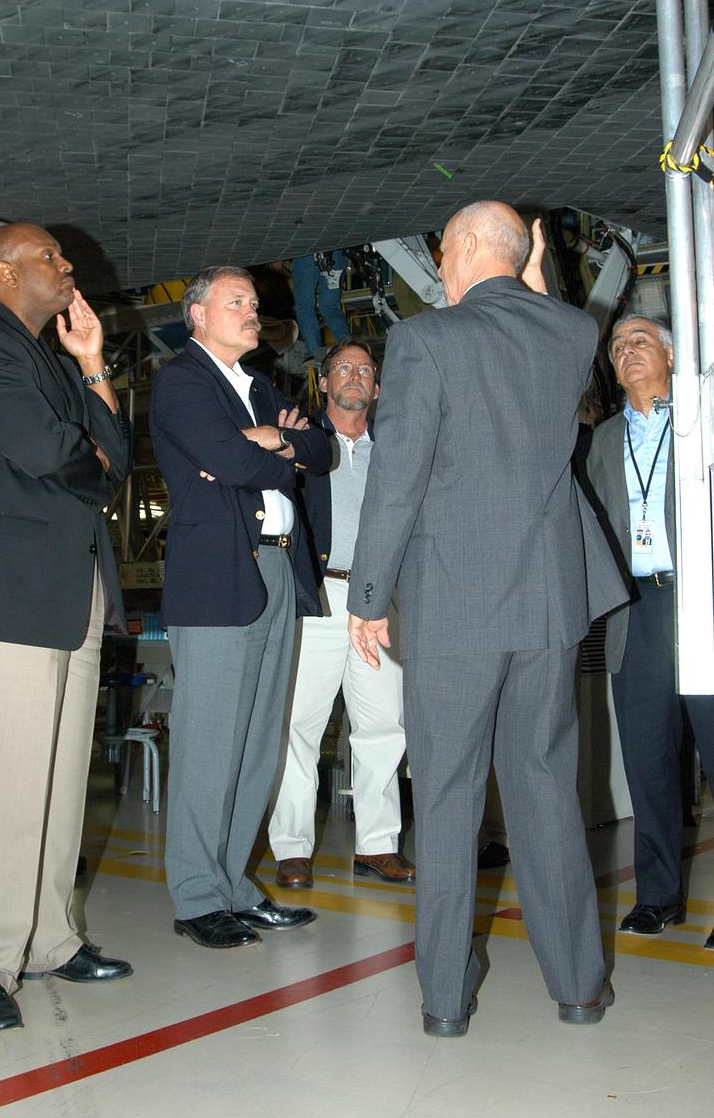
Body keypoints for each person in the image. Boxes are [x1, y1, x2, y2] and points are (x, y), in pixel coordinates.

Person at [346, 201, 628, 1036]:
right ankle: (577, 984)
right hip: (544, 602)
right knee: (544, 788)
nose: (439, 264)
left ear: (465, 251)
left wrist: (367, 600)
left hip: (451, 605)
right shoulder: (568, 335)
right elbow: (535, 319)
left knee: (445, 797)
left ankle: (444, 999)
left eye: (443, 250)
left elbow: (397, 480)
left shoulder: (428, 339)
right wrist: (531, 270)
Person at [0, 223, 133, 1033]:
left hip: (64, 587)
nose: (68, 264)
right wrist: (95, 453)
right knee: (2, 785)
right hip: (3, 593)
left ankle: (47, 940)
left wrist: (90, 368)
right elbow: (55, 454)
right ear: (5, 270)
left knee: (53, 781)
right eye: (51, 256)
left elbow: (107, 455)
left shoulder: (48, 360)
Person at [150, 266, 332, 949]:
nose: (251, 313)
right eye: (237, 302)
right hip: (220, 573)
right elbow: (235, 464)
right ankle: (197, 897)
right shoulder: (182, 380)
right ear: (197, 314)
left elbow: (320, 450)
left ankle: (233, 886)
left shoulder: (257, 386)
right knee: (209, 743)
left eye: (254, 304)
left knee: (259, 741)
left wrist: (274, 442)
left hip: (279, 566)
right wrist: (272, 448)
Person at [584, 314, 714, 949]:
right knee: (647, 759)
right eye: (617, 346)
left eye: (640, 341)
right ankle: (659, 897)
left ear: (670, 353)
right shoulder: (603, 440)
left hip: (701, 603)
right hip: (635, 611)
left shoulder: (701, 421)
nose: (626, 351)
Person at [269, 337, 413, 888]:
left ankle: (378, 846)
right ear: (323, 383)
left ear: (377, 388)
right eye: (342, 369)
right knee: (299, 727)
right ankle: (292, 848)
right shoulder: (300, 444)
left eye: (365, 370)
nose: (354, 376)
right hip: (318, 598)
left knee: (382, 726)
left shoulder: (397, 449)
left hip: (379, 601)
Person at [291, 250, 351, 360]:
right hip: (336, 252)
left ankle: (315, 355)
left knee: (305, 307)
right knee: (331, 306)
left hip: (305, 251)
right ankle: (348, 349)